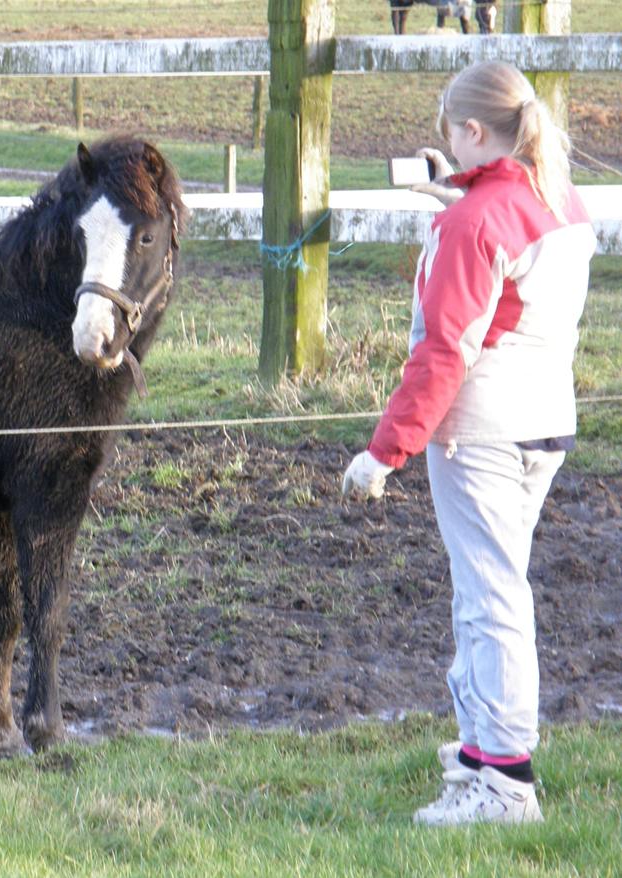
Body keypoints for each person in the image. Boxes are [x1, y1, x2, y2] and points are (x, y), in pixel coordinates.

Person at [342, 60, 598, 826]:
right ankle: (484, 748)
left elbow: (445, 350)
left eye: (450, 133)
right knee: (493, 587)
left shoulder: (472, 222)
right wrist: (458, 193)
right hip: (545, 417)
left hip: (479, 432)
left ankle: (505, 781)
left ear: (474, 132)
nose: (446, 144)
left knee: (489, 597)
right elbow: (506, 270)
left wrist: (384, 451)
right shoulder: (559, 198)